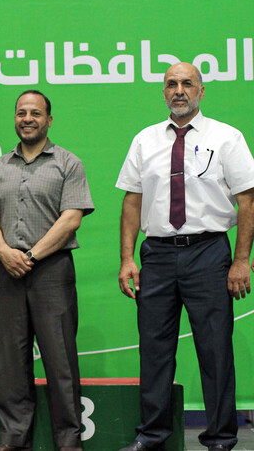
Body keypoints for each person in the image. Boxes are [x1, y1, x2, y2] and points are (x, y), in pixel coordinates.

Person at [116, 62, 254, 451]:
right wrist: (128, 258)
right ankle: (153, 436)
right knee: (155, 351)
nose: (179, 90)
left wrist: (241, 260)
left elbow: (248, 201)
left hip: (209, 254)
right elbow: (132, 201)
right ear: (164, 92)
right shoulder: (145, 140)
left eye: (187, 84)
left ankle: (222, 439)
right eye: (171, 84)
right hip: (156, 256)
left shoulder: (227, 138)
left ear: (201, 91)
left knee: (215, 351)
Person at [0, 90, 92, 451]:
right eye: (21, 113)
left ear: (49, 120)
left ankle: (69, 441)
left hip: (51, 271)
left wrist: (31, 256)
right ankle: (13, 439)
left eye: (36, 113)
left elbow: (71, 218)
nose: (28, 118)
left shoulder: (68, 163)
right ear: (14, 118)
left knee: (59, 359)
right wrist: (3, 252)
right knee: (10, 360)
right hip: (8, 270)